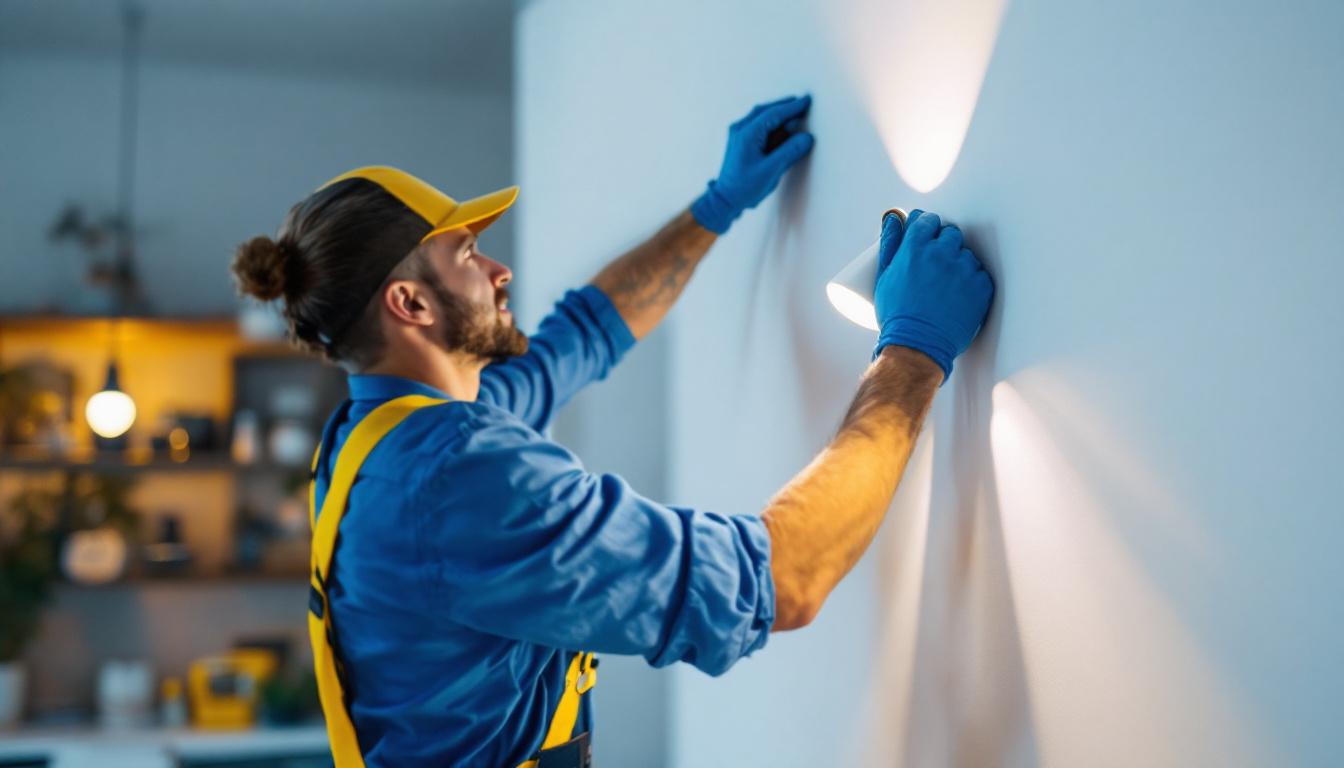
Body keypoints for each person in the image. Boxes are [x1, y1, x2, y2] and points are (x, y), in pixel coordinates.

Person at [231, 94, 992, 768]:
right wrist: (915, 349)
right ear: (411, 303)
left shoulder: (378, 437)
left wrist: (717, 205)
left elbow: (585, 331)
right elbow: (781, 577)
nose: (498, 270)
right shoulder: (463, 480)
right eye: (464, 252)